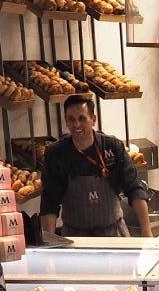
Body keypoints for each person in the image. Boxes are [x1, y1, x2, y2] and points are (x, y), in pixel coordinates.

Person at [40, 94, 152, 239]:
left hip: (114, 235)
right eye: (71, 119)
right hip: (76, 239)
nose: (77, 125)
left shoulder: (112, 146)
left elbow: (134, 189)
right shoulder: (56, 154)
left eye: (82, 118)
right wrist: (49, 241)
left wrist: (147, 231)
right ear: (66, 122)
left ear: (93, 120)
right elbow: (50, 202)